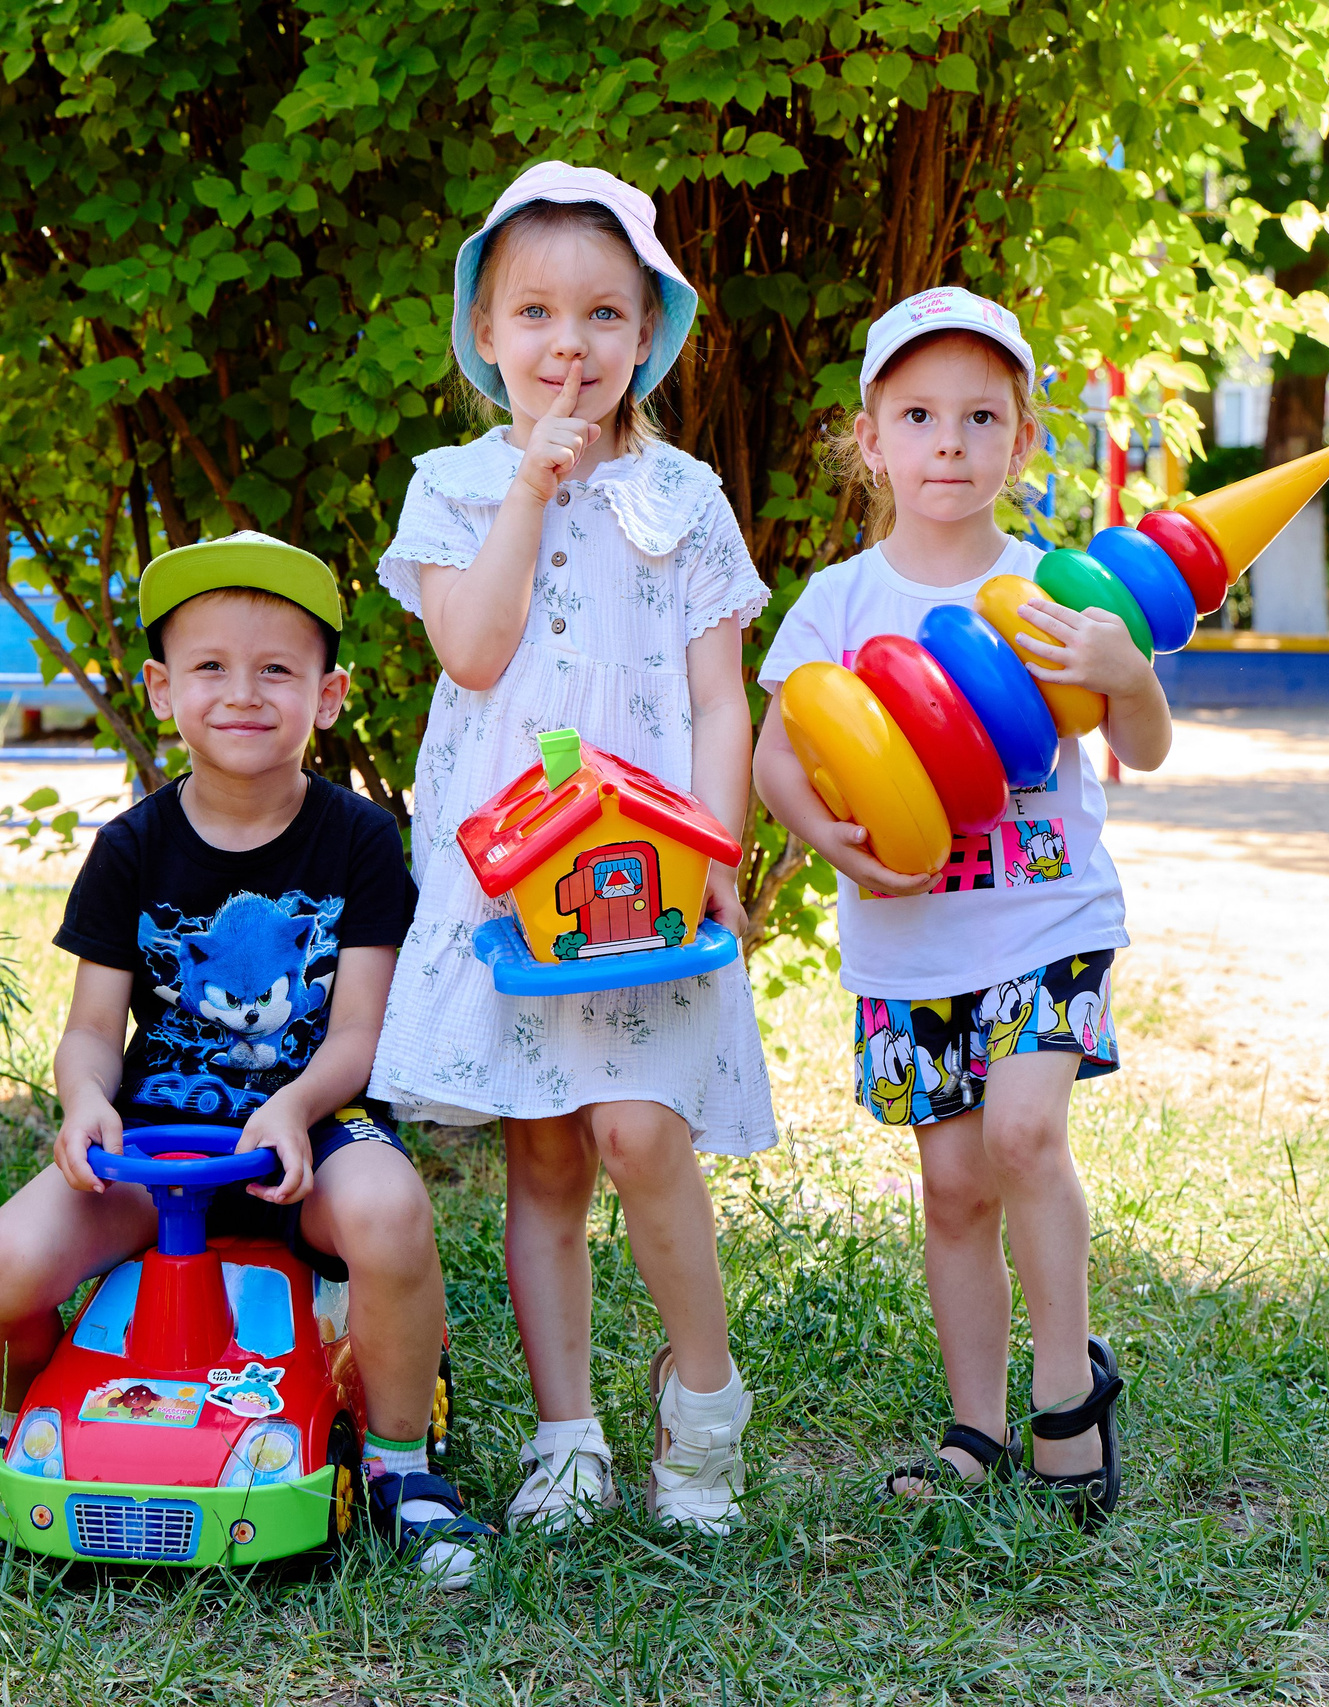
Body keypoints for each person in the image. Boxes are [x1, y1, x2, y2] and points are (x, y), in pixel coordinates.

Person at [0, 533, 493, 1588]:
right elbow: (91, 1028)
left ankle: (401, 1462)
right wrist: (84, 1101)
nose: (242, 692)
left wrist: (294, 1106)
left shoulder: (362, 841)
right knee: (0, 1265)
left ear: (328, 696)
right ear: (160, 689)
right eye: (211, 667)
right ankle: (19, 1431)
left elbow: (360, 1034)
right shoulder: (131, 848)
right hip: (159, 1149)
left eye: (276, 668)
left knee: (390, 1212)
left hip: (316, 1132)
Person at [366, 160, 776, 1536]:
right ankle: (567, 1435)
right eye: (535, 313)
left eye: (604, 314)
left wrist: (716, 853)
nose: (569, 345)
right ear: (485, 332)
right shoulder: (455, 488)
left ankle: (703, 1400)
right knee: (545, 1155)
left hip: (648, 872)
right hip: (517, 872)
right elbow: (474, 653)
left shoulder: (686, 497)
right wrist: (529, 494)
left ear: (647, 330)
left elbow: (720, 699)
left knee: (641, 1131)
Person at [751, 288, 1169, 1524]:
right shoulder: (837, 601)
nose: (949, 443)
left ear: (1021, 441)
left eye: (981, 418)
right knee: (953, 1190)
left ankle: (1066, 1397)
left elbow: (1144, 749)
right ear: (870, 440)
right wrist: (822, 833)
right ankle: (974, 1427)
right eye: (919, 416)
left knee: (1024, 1137)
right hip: (909, 940)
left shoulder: (1052, 592)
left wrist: (1128, 672)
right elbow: (777, 756)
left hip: (1047, 923)